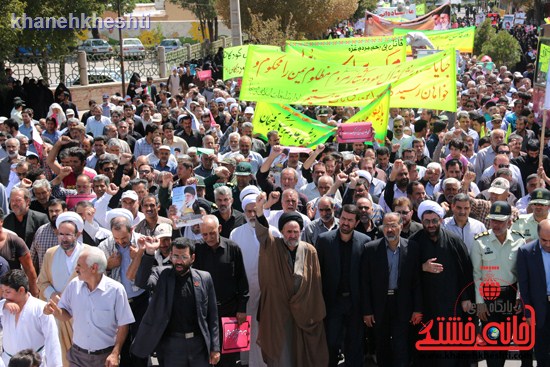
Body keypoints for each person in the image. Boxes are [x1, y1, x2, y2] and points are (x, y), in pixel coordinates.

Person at [254, 192, 328, 366]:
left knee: (305, 355)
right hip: (280, 313)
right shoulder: (273, 246)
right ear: (281, 232)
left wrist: (309, 307)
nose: (293, 235)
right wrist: (259, 210)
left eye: (296, 231)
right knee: (283, 356)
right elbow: (263, 234)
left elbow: (315, 284)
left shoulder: (309, 250)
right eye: (289, 232)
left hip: (304, 312)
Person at [131, 237, 221, 367]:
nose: (179, 261)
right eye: (175, 256)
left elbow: (213, 316)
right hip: (171, 345)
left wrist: (215, 347)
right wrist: (149, 253)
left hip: (199, 345)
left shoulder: (204, 278)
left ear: (193, 258)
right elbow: (141, 282)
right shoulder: (162, 275)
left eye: (184, 257)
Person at [43, 247, 135, 367]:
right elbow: (65, 315)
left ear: (94, 268)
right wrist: (55, 311)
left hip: (104, 357)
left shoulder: (116, 290)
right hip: (77, 356)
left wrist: (115, 353)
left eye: (79, 265)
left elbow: (124, 324)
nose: (76, 269)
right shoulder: (73, 285)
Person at [410, 200, 474, 367]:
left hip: (451, 305)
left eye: (434, 221)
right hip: (426, 306)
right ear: (421, 221)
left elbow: (465, 270)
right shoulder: (414, 242)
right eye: (427, 221)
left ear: (440, 220)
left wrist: (466, 297)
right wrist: (422, 267)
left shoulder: (454, 240)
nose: (431, 225)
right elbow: (406, 273)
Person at [361, 212, 422, 367]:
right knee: (381, 343)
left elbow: (416, 282)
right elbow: (365, 282)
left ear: (401, 226)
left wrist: (417, 309)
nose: (389, 229)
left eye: (393, 225)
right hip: (380, 304)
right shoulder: (371, 249)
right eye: (386, 226)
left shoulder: (412, 248)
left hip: (402, 303)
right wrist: (367, 310)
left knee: (401, 344)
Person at [471, 201, 526, 367]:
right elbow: (477, 274)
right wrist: (480, 303)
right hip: (489, 297)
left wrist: (519, 297)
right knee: (493, 342)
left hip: (511, 297)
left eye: (501, 221)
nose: (496, 224)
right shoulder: (480, 242)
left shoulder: (519, 240)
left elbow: (522, 275)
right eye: (493, 220)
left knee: (509, 340)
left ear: (510, 221)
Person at [315, 204, 369, 367]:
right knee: (331, 344)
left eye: (350, 220)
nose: (345, 223)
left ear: (357, 222)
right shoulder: (324, 240)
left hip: (355, 303)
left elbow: (367, 278)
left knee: (354, 346)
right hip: (332, 303)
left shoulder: (365, 242)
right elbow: (318, 273)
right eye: (343, 218)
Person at [193, 215, 249, 367]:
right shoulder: (197, 250)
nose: (209, 237)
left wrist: (242, 308)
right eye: (205, 234)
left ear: (219, 229)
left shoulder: (233, 248)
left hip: (229, 311)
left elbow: (241, 280)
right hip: (204, 313)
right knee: (206, 355)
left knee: (228, 357)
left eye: (212, 233)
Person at [36, 211, 90, 366]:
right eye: (61, 234)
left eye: (68, 234)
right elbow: (42, 282)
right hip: (58, 314)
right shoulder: (50, 254)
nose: (64, 238)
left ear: (78, 233)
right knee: (60, 356)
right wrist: (53, 296)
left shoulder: (89, 253)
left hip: (82, 314)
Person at [0, 270, 62, 367]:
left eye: (8, 292)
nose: (4, 295)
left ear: (21, 290)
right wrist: (3, 305)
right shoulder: (4, 307)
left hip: (34, 363)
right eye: (2, 291)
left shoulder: (41, 308)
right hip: (7, 362)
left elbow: (52, 342)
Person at [517, 219, 550, 367]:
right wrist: (528, 313)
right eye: (544, 240)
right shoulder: (526, 252)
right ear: (537, 235)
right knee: (541, 350)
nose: (548, 244)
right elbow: (524, 286)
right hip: (538, 308)